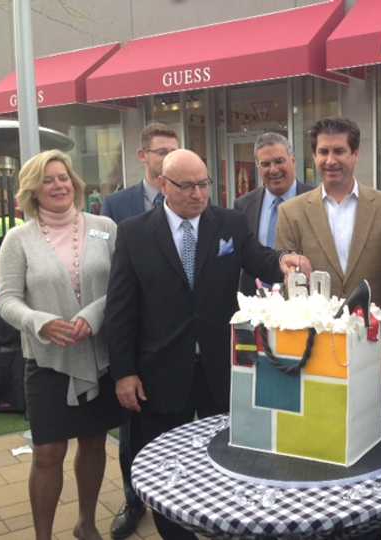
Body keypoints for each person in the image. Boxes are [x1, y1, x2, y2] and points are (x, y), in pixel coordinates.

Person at [103, 149, 309, 540]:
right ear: (163, 184)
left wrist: (283, 260)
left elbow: (258, 258)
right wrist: (124, 373)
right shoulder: (133, 233)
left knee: (226, 455)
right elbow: (120, 310)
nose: (198, 194)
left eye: (204, 184)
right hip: (159, 372)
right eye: (187, 186)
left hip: (221, 368)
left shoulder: (229, 223)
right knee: (166, 469)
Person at [0, 150, 123, 540]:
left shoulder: (104, 227)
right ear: (33, 190)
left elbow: (121, 286)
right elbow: (7, 300)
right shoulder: (18, 239)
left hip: (98, 359)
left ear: (75, 183)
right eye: (48, 179)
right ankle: (43, 536)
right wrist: (40, 322)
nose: (58, 185)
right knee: (48, 453)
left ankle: (86, 523)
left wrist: (95, 315)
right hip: (49, 362)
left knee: (94, 443)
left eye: (64, 177)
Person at [275, 117, 381, 416]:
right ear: (314, 157)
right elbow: (289, 288)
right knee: (318, 429)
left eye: (339, 151)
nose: (330, 160)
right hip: (313, 350)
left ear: (355, 154)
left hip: (371, 349)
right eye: (323, 152)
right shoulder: (291, 213)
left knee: (372, 431)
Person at [101, 122, 179, 539]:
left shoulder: (192, 196)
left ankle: (177, 504)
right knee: (134, 434)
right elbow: (117, 294)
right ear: (143, 156)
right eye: (160, 150)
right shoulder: (116, 207)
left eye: (174, 149)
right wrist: (123, 365)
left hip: (182, 344)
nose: (166, 157)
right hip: (139, 342)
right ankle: (133, 503)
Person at [234, 132, 314, 296]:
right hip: (255, 307)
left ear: (292, 161)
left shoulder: (316, 201)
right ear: (258, 167)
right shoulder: (243, 205)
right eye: (265, 164)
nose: (273, 169)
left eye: (279, 161)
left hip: (304, 306)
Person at [102, 122, 179, 223]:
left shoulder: (192, 199)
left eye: (174, 152)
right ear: (142, 156)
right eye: (162, 152)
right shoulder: (115, 205)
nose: (169, 158)